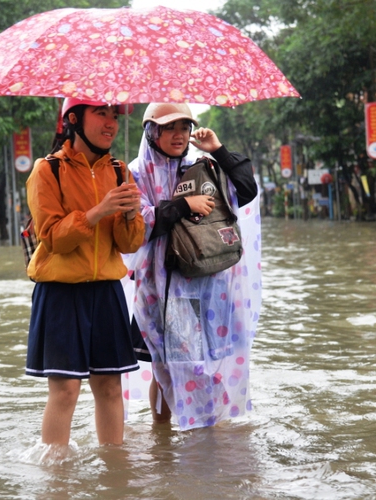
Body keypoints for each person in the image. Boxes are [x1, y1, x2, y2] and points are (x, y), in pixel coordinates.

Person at [124, 103, 262, 430]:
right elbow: (137, 227)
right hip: (159, 288)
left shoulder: (201, 167)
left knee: (208, 364)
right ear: (151, 132)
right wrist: (182, 205)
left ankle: (205, 441)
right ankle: (164, 439)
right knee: (165, 365)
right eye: (169, 128)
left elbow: (245, 190)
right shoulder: (135, 173)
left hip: (207, 284)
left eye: (184, 128)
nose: (178, 135)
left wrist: (218, 150)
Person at [25, 97, 145, 447]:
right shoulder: (47, 170)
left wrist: (127, 214)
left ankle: (113, 474)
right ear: (74, 119)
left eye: (114, 115)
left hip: (107, 291)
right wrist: (98, 211)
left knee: (110, 389)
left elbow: (129, 243)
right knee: (65, 392)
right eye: (101, 114)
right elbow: (51, 237)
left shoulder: (122, 172)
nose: (111, 123)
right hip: (61, 292)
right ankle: (55, 478)